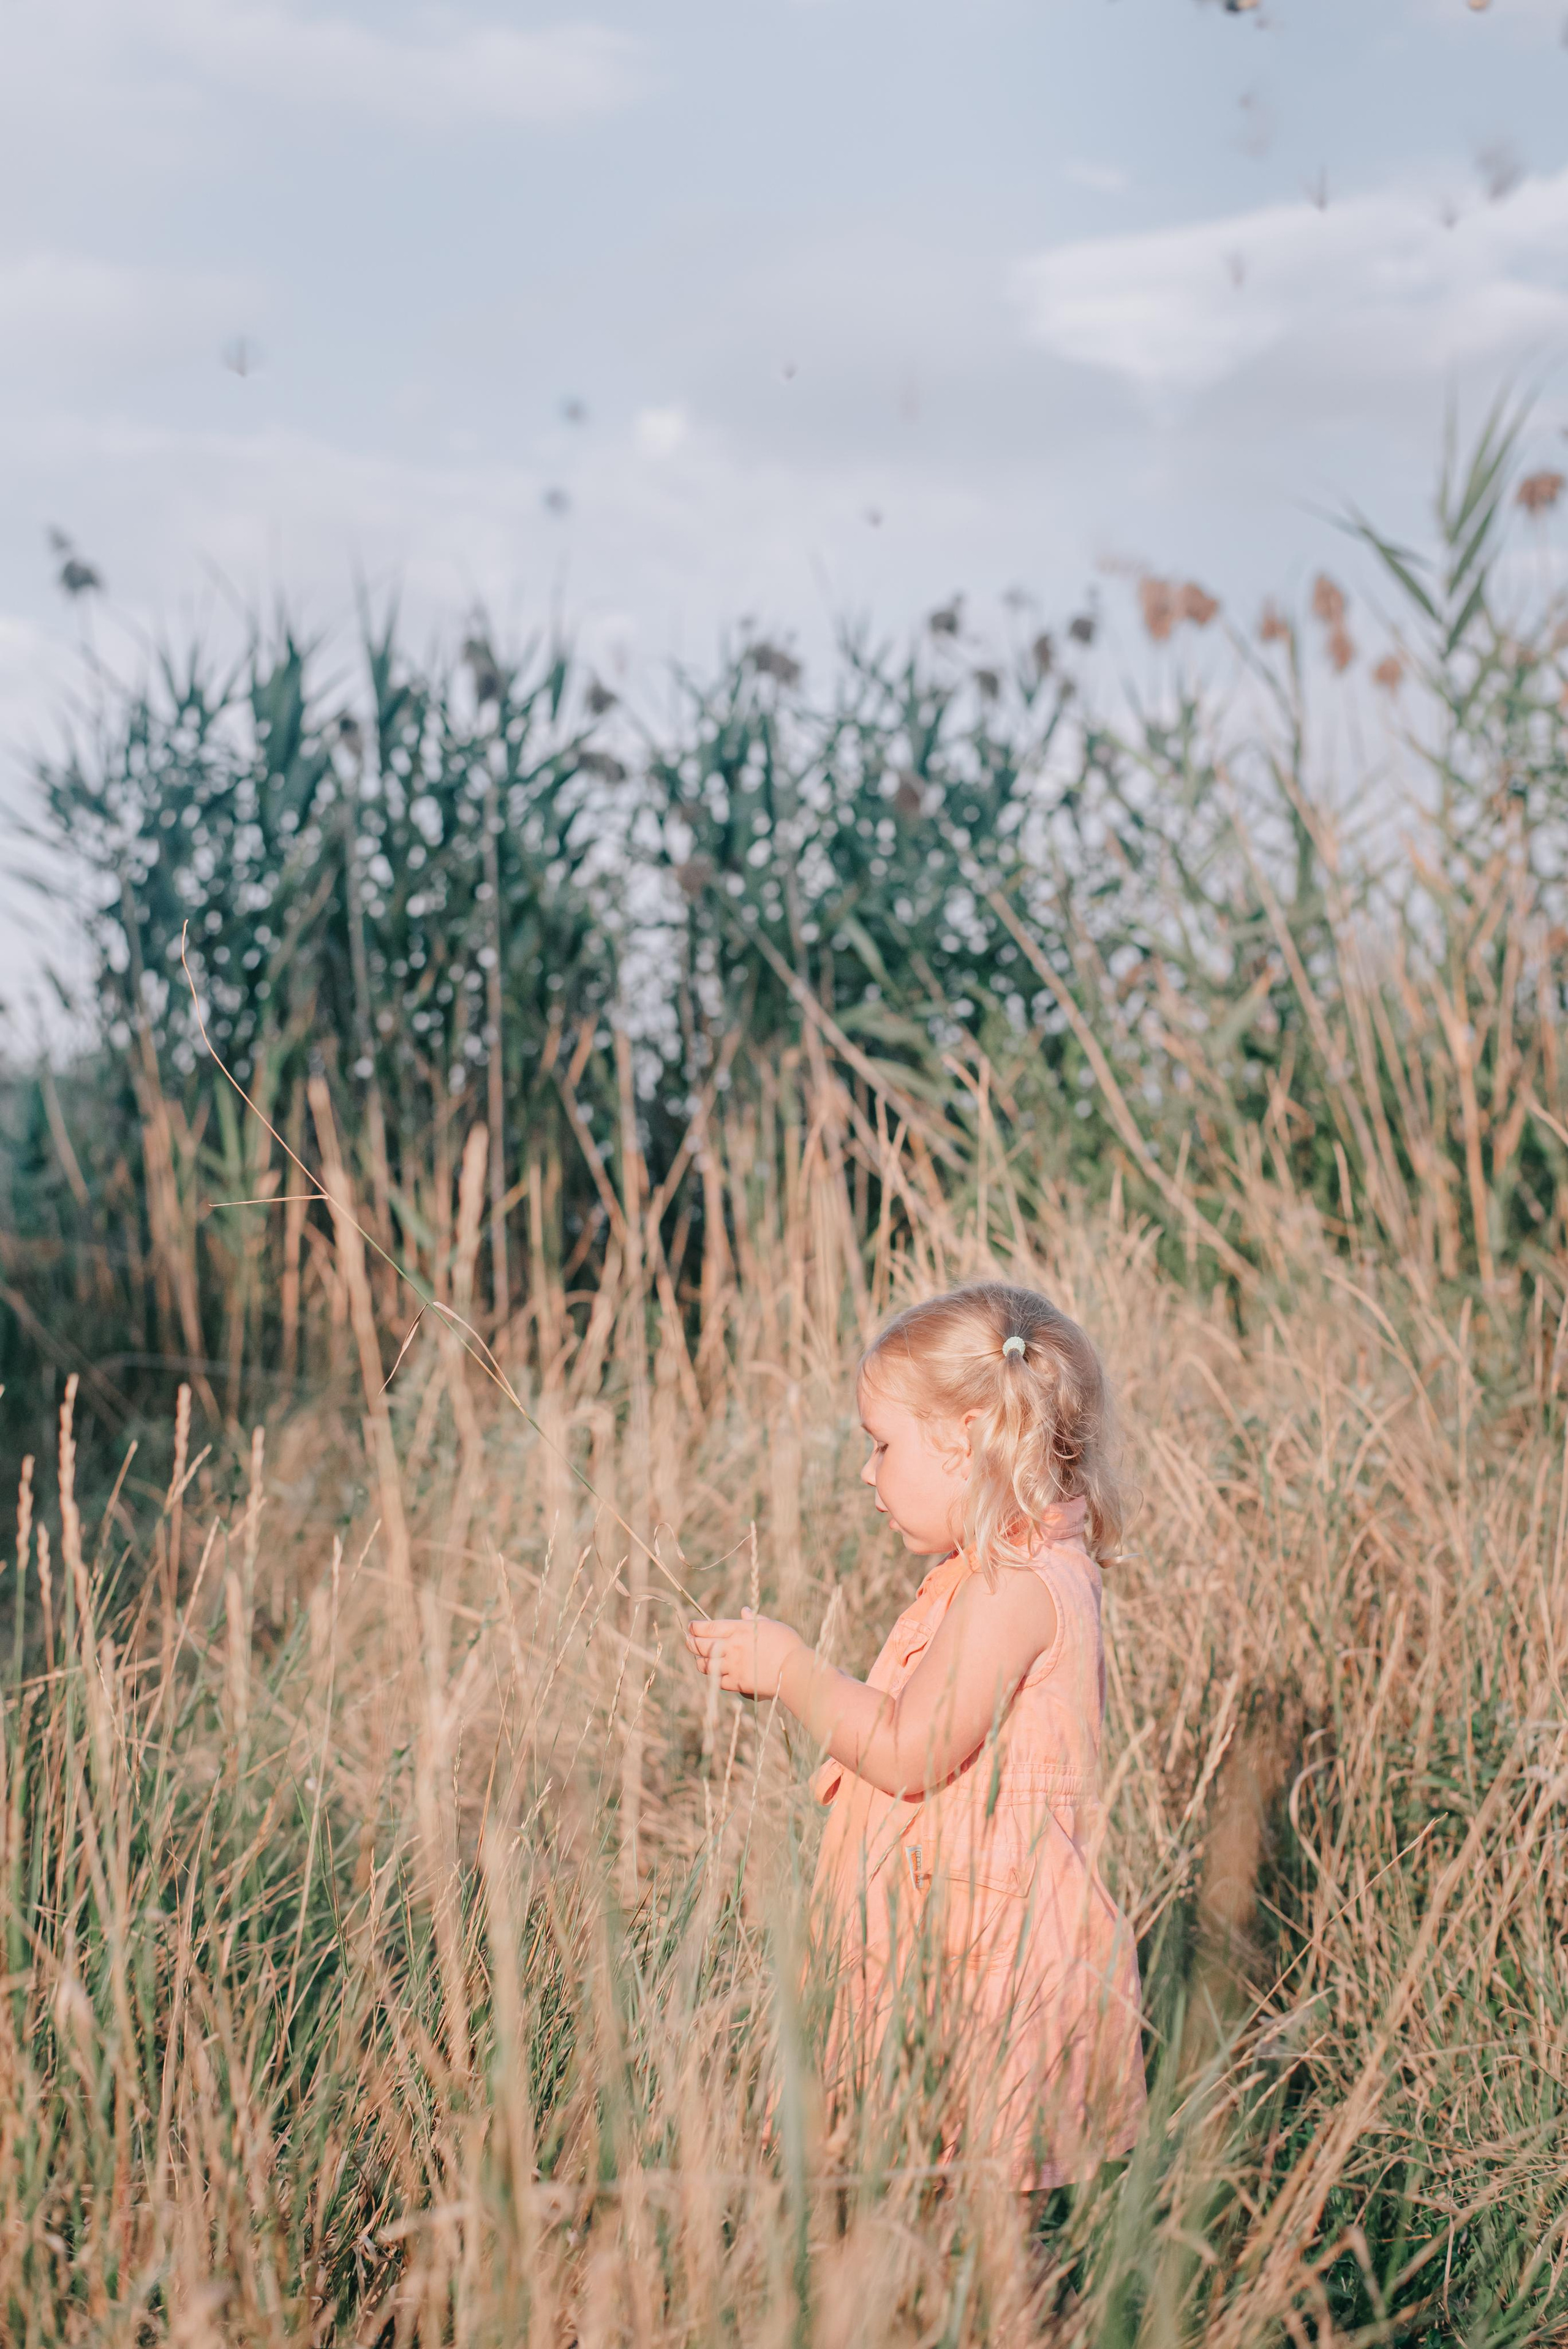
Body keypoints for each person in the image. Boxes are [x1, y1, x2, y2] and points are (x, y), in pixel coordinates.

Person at [685, 1279, 1146, 2190]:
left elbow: (907, 1749)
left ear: (966, 1439)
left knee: (973, 2236)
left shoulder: (1010, 1587)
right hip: (963, 1943)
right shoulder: (1007, 1569)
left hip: (987, 1975)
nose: (866, 1472)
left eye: (881, 1445)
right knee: (945, 2229)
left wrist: (793, 1673)